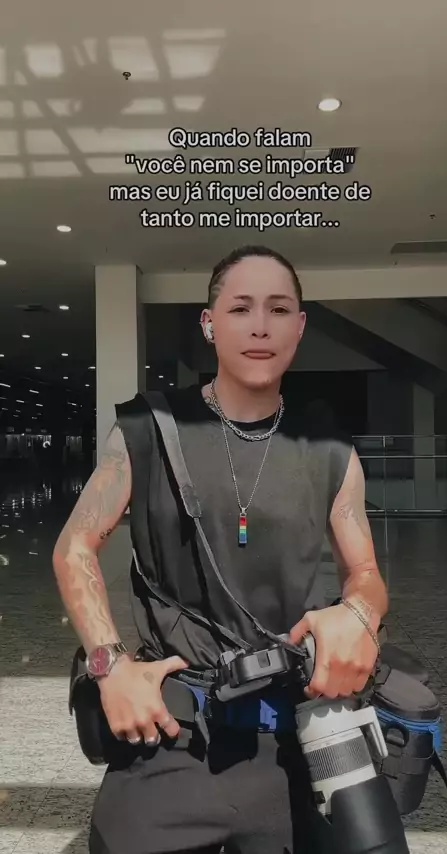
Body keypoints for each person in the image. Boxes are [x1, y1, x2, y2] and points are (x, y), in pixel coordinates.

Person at [52, 245, 388, 854]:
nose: (260, 326)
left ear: (299, 326)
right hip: (172, 734)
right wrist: (109, 665)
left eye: (278, 309)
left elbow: (364, 570)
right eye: (240, 308)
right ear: (210, 324)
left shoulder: (331, 450)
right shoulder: (147, 429)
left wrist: (357, 614)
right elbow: (75, 545)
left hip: (292, 738)